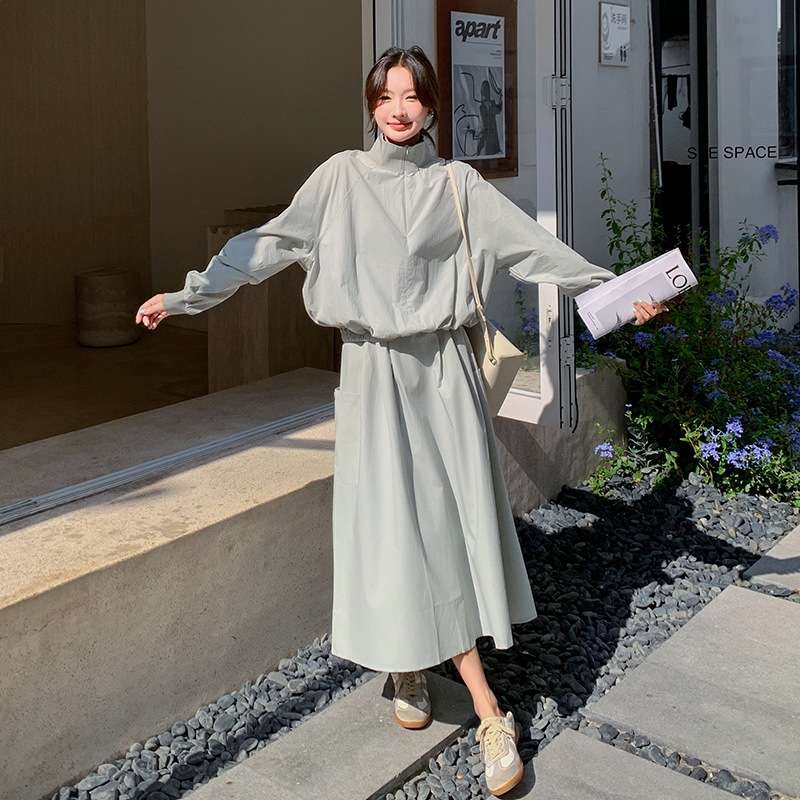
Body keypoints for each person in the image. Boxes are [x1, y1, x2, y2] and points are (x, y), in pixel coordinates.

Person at [136, 46, 665, 797]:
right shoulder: (339, 178)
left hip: (444, 375)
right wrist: (185, 296)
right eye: (385, 96)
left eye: (411, 95)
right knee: (391, 525)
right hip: (372, 372)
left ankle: (482, 707)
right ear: (370, 103)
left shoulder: (458, 186)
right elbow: (265, 248)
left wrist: (614, 289)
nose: (397, 109)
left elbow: (535, 250)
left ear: (432, 105)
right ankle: (421, 671)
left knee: (448, 525)